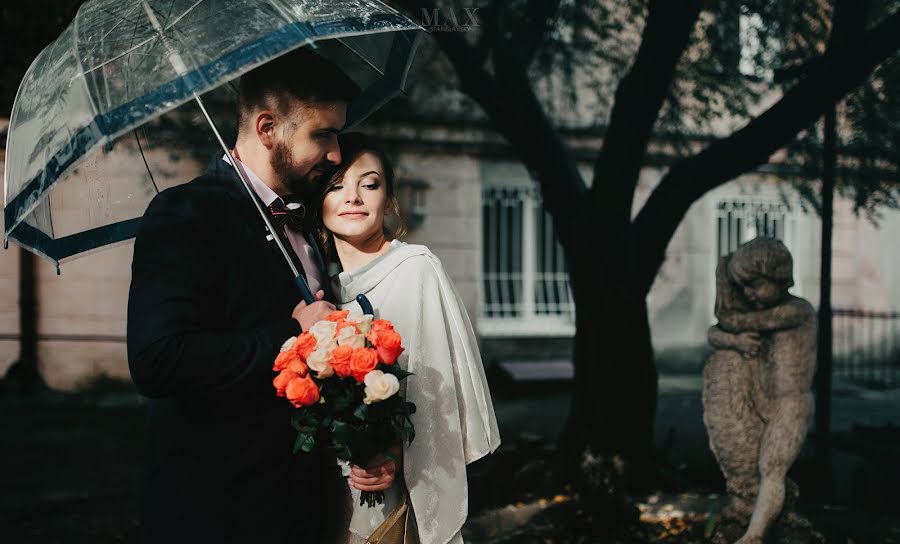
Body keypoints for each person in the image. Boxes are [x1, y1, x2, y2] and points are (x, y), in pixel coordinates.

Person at [126, 48, 358, 543]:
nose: (337, 153)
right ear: (268, 127)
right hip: (219, 513)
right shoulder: (186, 214)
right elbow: (158, 360)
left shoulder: (313, 217)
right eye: (323, 134)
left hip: (307, 512)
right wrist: (292, 334)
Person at [310, 132, 501, 544]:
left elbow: (434, 391)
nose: (353, 197)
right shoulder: (325, 290)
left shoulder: (415, 270)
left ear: (389, 200)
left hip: (397, 480)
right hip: (339, 489)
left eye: (370, 184)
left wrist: (391, 459)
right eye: (336, 185)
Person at [704, 237, 816, 544]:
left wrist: (722, 274)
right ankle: (751, 525)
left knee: (772, 468)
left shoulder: (796, 311)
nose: (748, 294)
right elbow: (716, 333)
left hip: (791, 405)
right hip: (762, 400)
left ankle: (754, 535)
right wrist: (736, 343)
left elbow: (729, 319)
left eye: (753, 285)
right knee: (753, 465)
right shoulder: (766, 314)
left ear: (778, 277)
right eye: (742, 287)